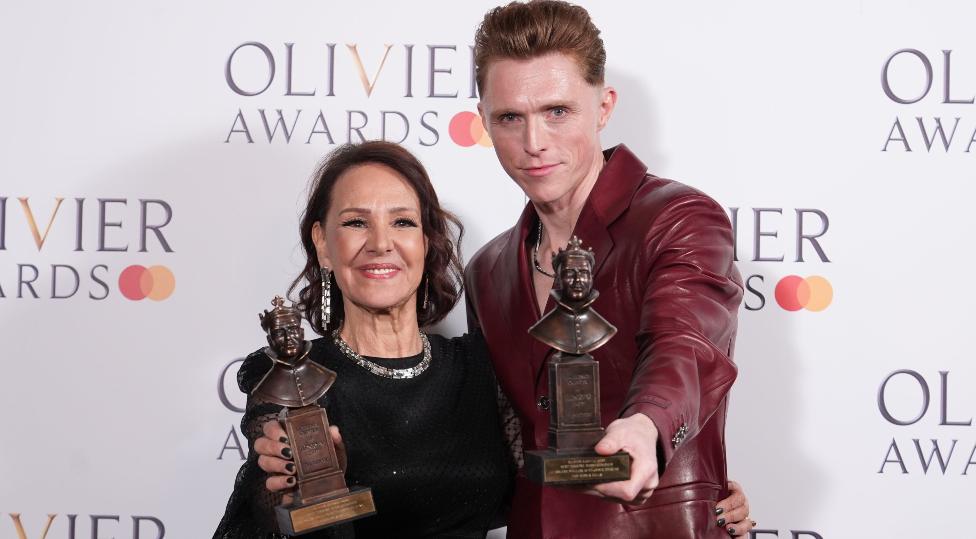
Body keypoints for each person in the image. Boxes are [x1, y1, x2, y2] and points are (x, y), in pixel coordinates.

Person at [463, 1, 755, 537]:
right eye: (510, 117)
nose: (534, 143)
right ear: (483, 121)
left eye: (558, 111)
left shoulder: (679, 218)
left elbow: (684, 344)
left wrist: (648, 427)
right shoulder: (486, 271)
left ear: (603, 107)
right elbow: (501, 440)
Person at [213, 141, 514, 538]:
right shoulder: (293, 379)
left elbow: (554, 484)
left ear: (425, 241)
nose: (380, 243)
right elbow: (270, 514)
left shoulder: (481, 365)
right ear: (322, 243)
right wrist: (293, 484)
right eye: (356, 222)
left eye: (402, 222)